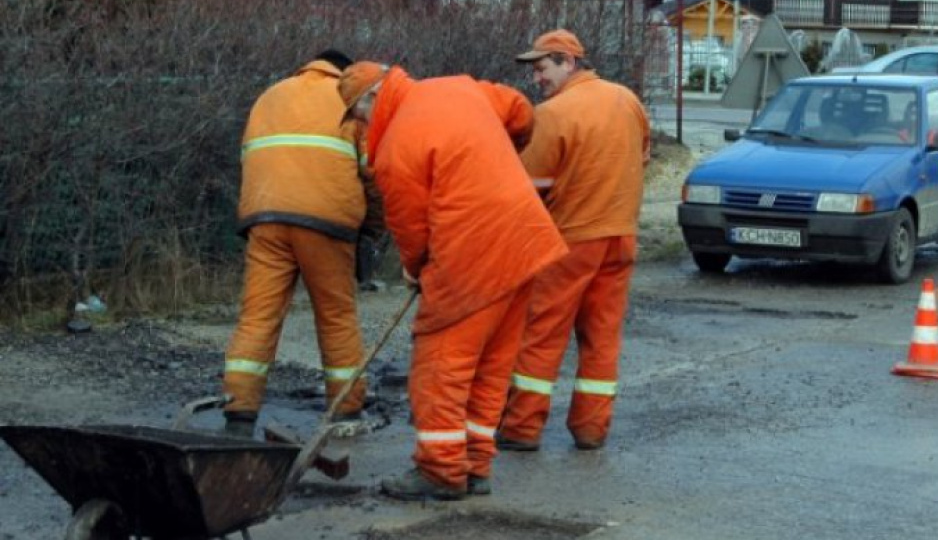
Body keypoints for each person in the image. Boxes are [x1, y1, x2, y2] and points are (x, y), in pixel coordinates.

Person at [338, 62, 566, 501]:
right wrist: (498, 152)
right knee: (492, 364)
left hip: (471, 255)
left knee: (441, 365)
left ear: (372, 97)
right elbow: (520, 111)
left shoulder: (394, 149)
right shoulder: (459, 86)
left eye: (357, 114)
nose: (361, 125)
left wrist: (416, 268)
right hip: (525, 242)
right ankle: (476, 464)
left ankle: (441, 470)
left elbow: (410, 228)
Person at [497, 29, 650, 451]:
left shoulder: (553, 113)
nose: (536, 79)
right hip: (620, 236)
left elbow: (531, 188)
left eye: (542, 68)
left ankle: (521, 428)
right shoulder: (628, 101)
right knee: (601, 336)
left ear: (567, 60)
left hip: (572, 239)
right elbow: (641, 158)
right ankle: (591, 428)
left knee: (542, 332)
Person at [221, 50, 383, 437]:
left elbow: (251, 156)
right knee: (336, 316)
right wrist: (374, 230)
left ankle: (239, 412)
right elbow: (372, 172)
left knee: (258, 316)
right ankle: (346, 410)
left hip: (264, 218)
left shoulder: (270, 95)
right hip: (326, 222)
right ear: (345, 72)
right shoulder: (348, 96)